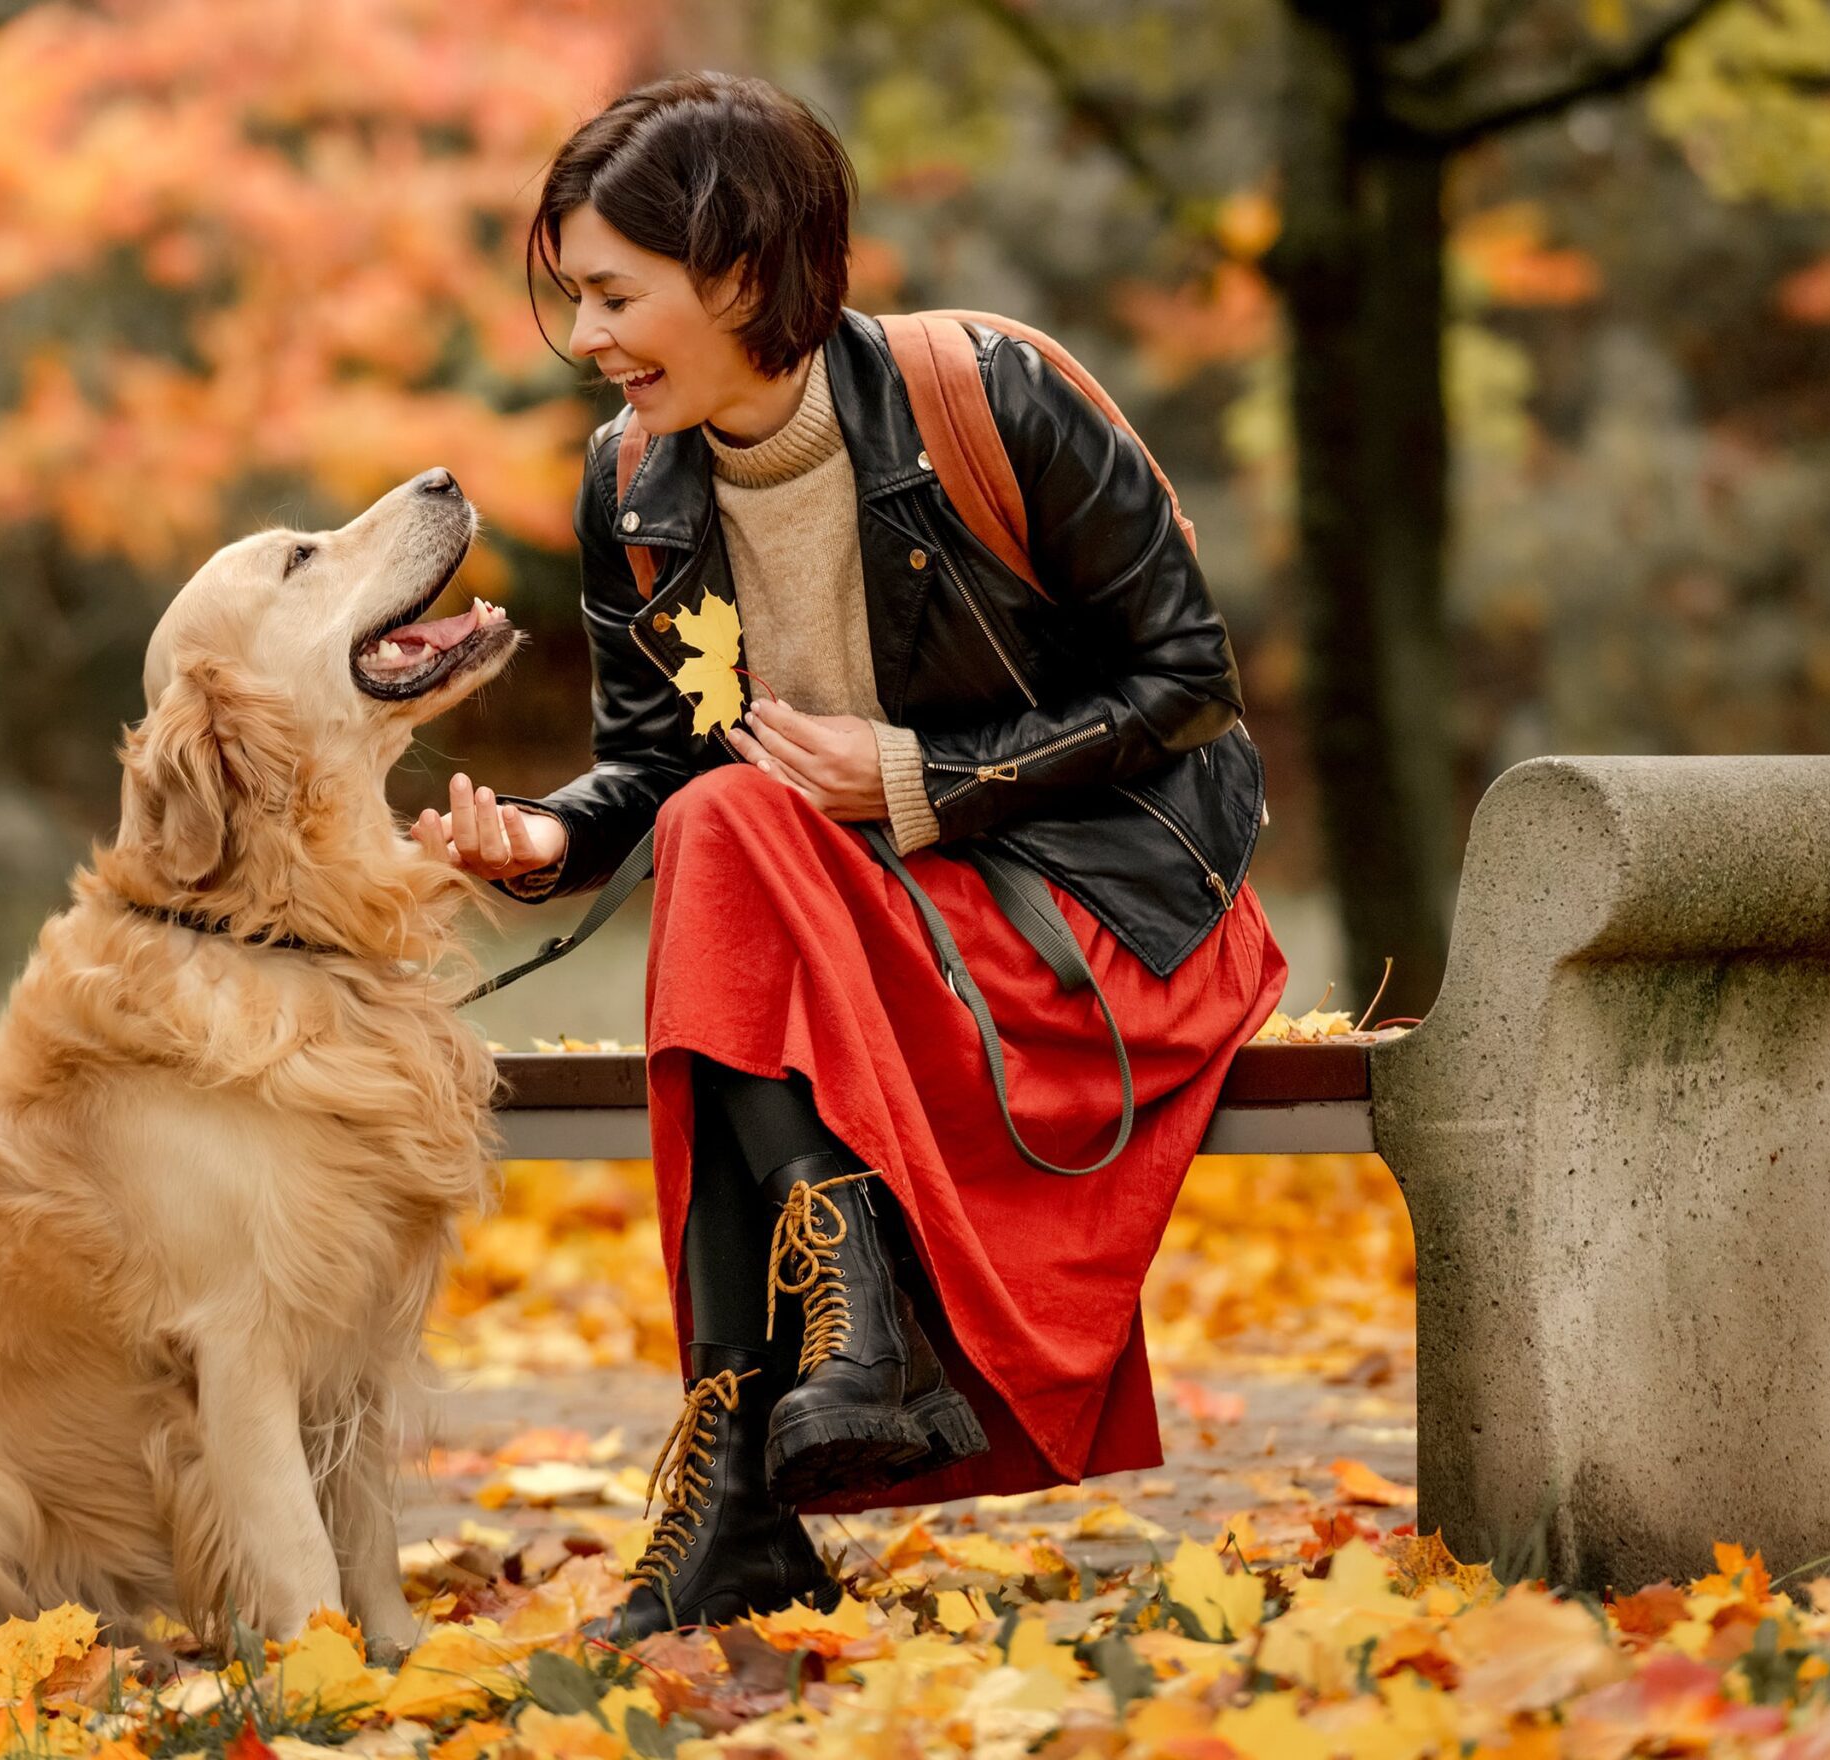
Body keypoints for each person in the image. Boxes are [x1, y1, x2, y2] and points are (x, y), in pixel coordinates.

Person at [409, 71, 1289, 1639]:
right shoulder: (635, 481)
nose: (590, 341)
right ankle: (844, 1332)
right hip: (851, 935)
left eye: (615, 295)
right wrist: (548, 835)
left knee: (734, 861)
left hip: (1097, 910)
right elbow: (662, 766)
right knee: (722, 820)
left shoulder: (992, 396)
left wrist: (918, 779)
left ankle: (744, 1479)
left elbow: (1187, 684)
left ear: (743, 271)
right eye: (575, 300)